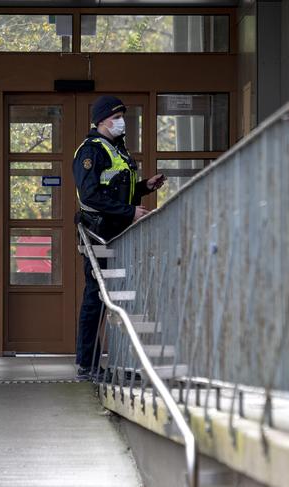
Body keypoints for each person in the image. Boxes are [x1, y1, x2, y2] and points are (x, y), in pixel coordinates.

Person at [72, 95, 165, 379]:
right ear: (101, 120)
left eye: (122, 116)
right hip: (100, 234)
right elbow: (90, 197)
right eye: (116, 117)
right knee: (96, 297)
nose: (120, 121)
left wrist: (144, 187)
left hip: (119, 233)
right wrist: (129, 212)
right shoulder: (91, 151)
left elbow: (116, 190)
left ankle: (125, 362)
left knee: (120, 300)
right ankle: (87, 364)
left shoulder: (118, 149)